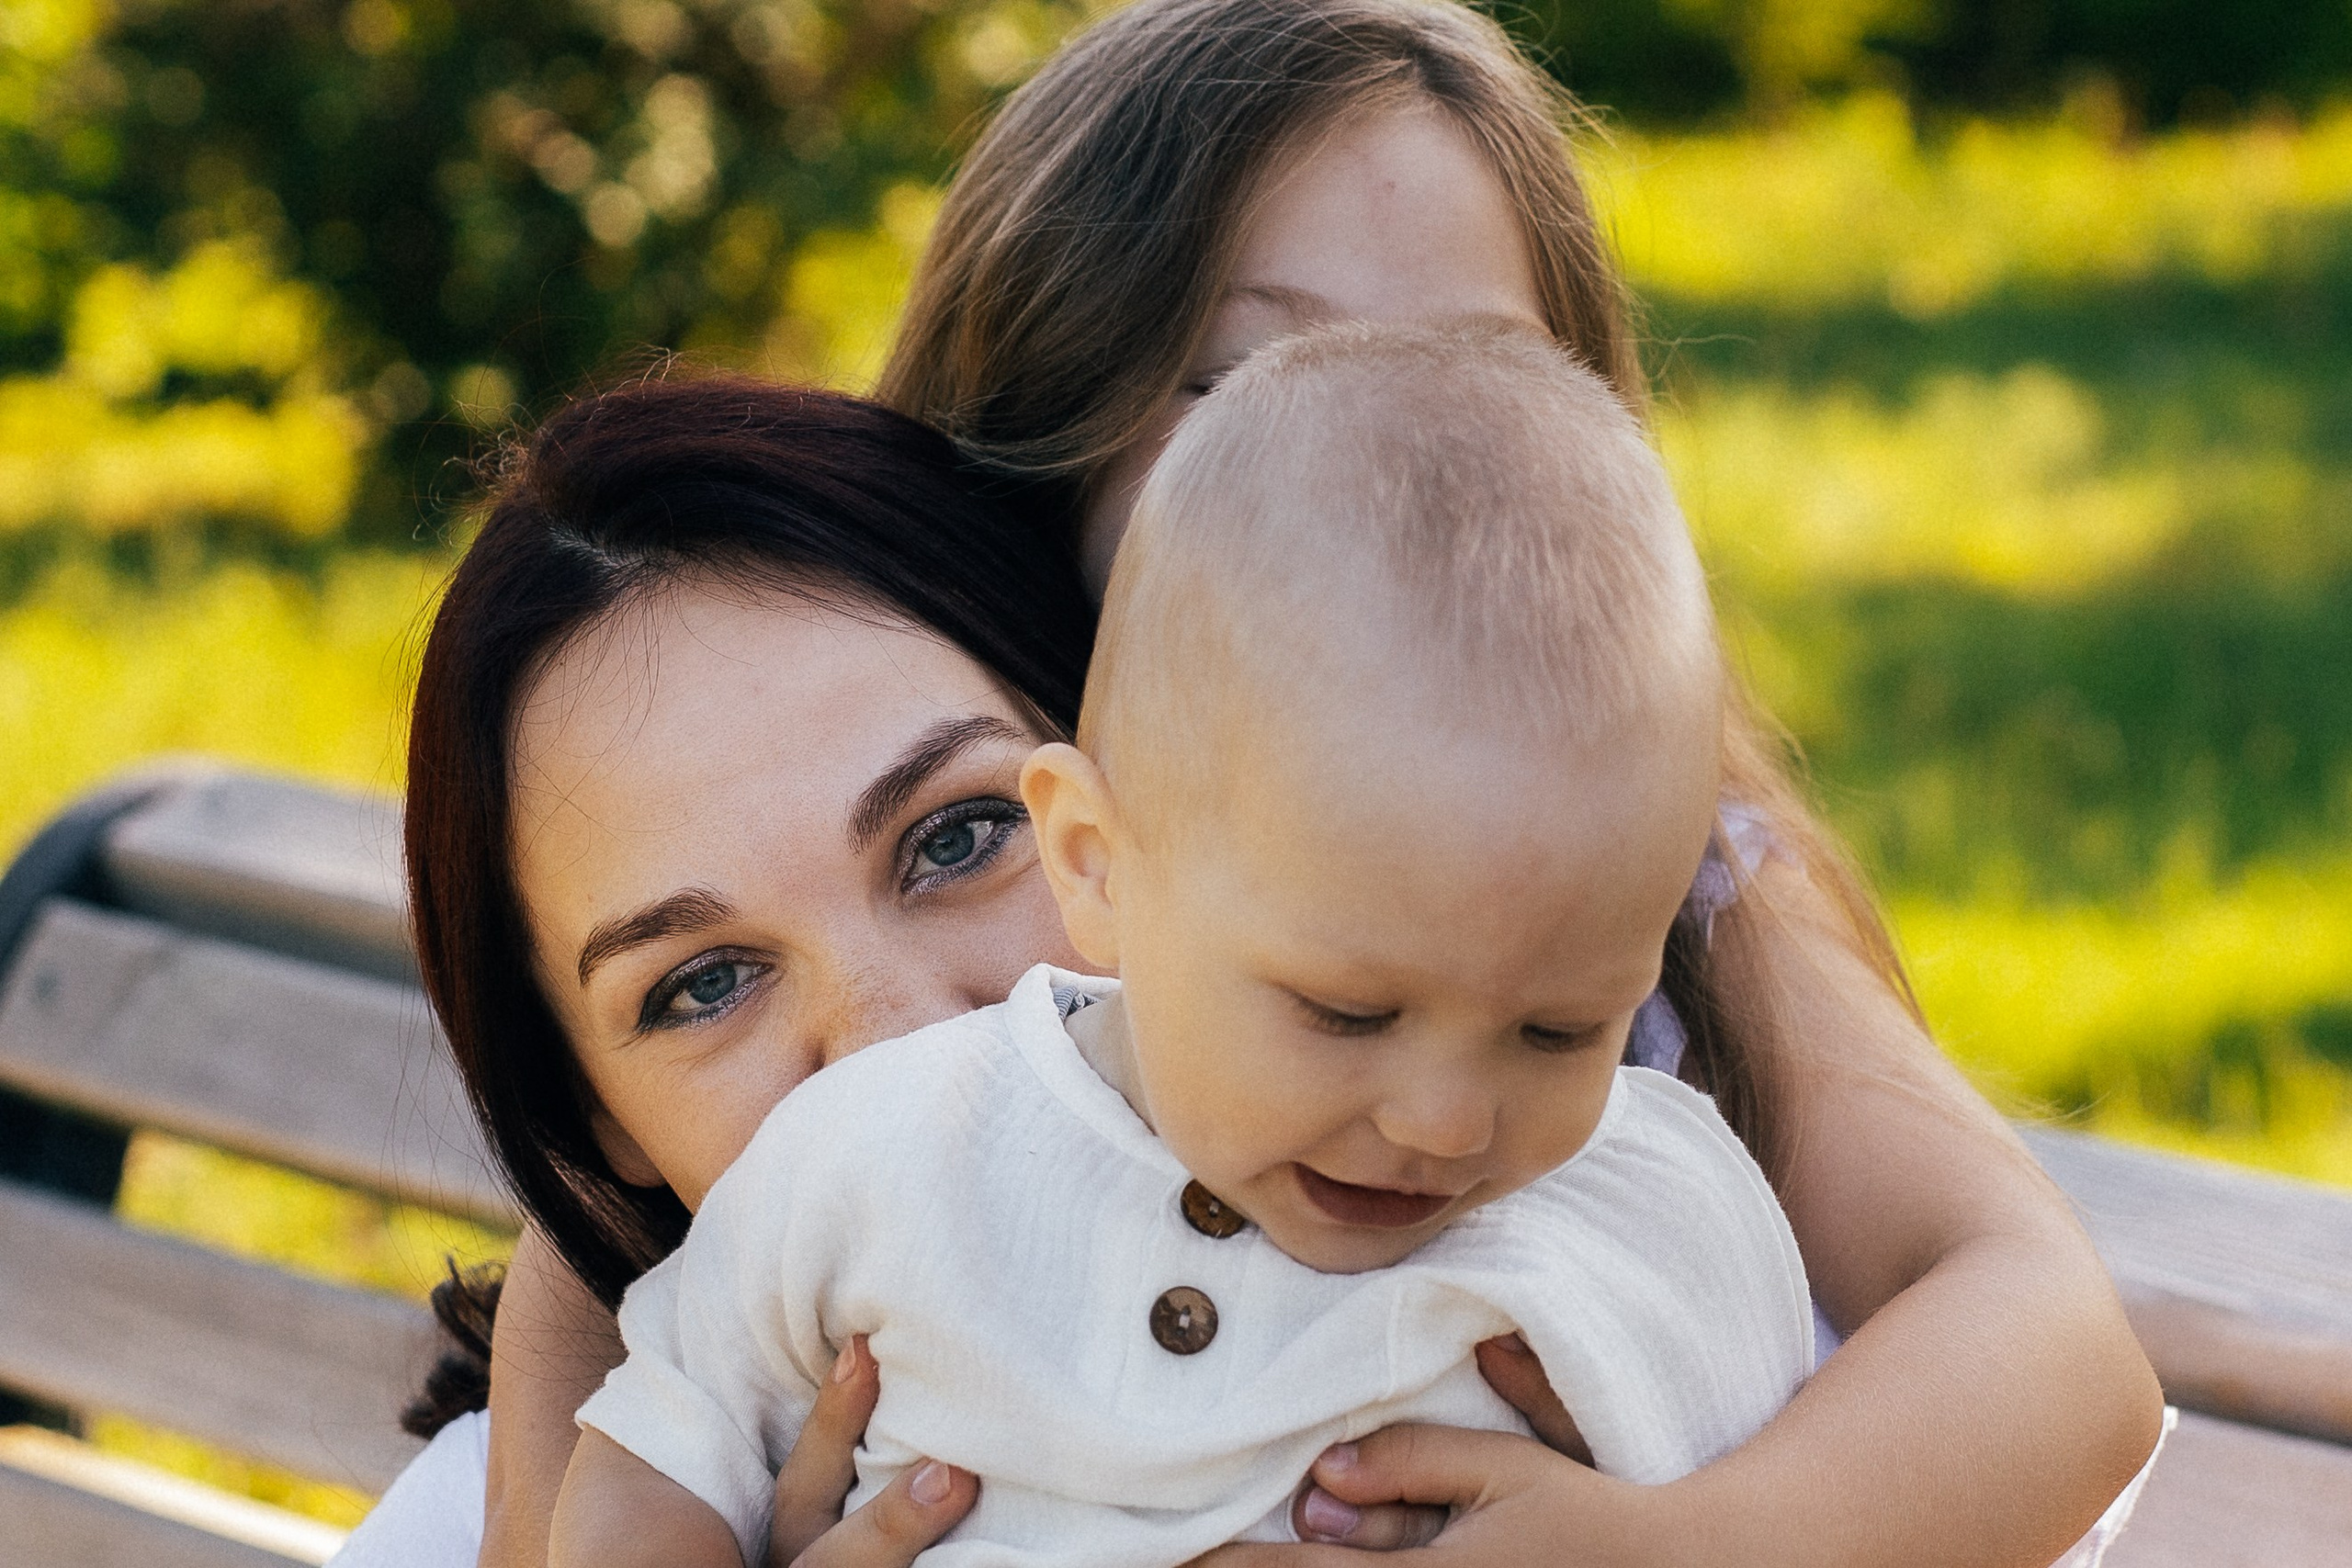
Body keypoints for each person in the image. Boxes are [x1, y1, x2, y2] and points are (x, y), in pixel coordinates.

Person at [547, 322, 1815, 1568]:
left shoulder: (1655, 1219)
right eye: (1346, 1013)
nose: (1446, 1121)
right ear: (1095, 859)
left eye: (1560, 1029)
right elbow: (664, 1434)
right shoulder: (877, 1153)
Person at [330, 373, 1094, 1566]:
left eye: (957, 838)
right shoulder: (516, 1515)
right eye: (705, 985)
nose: (895, 1043)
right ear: (604, 1127)